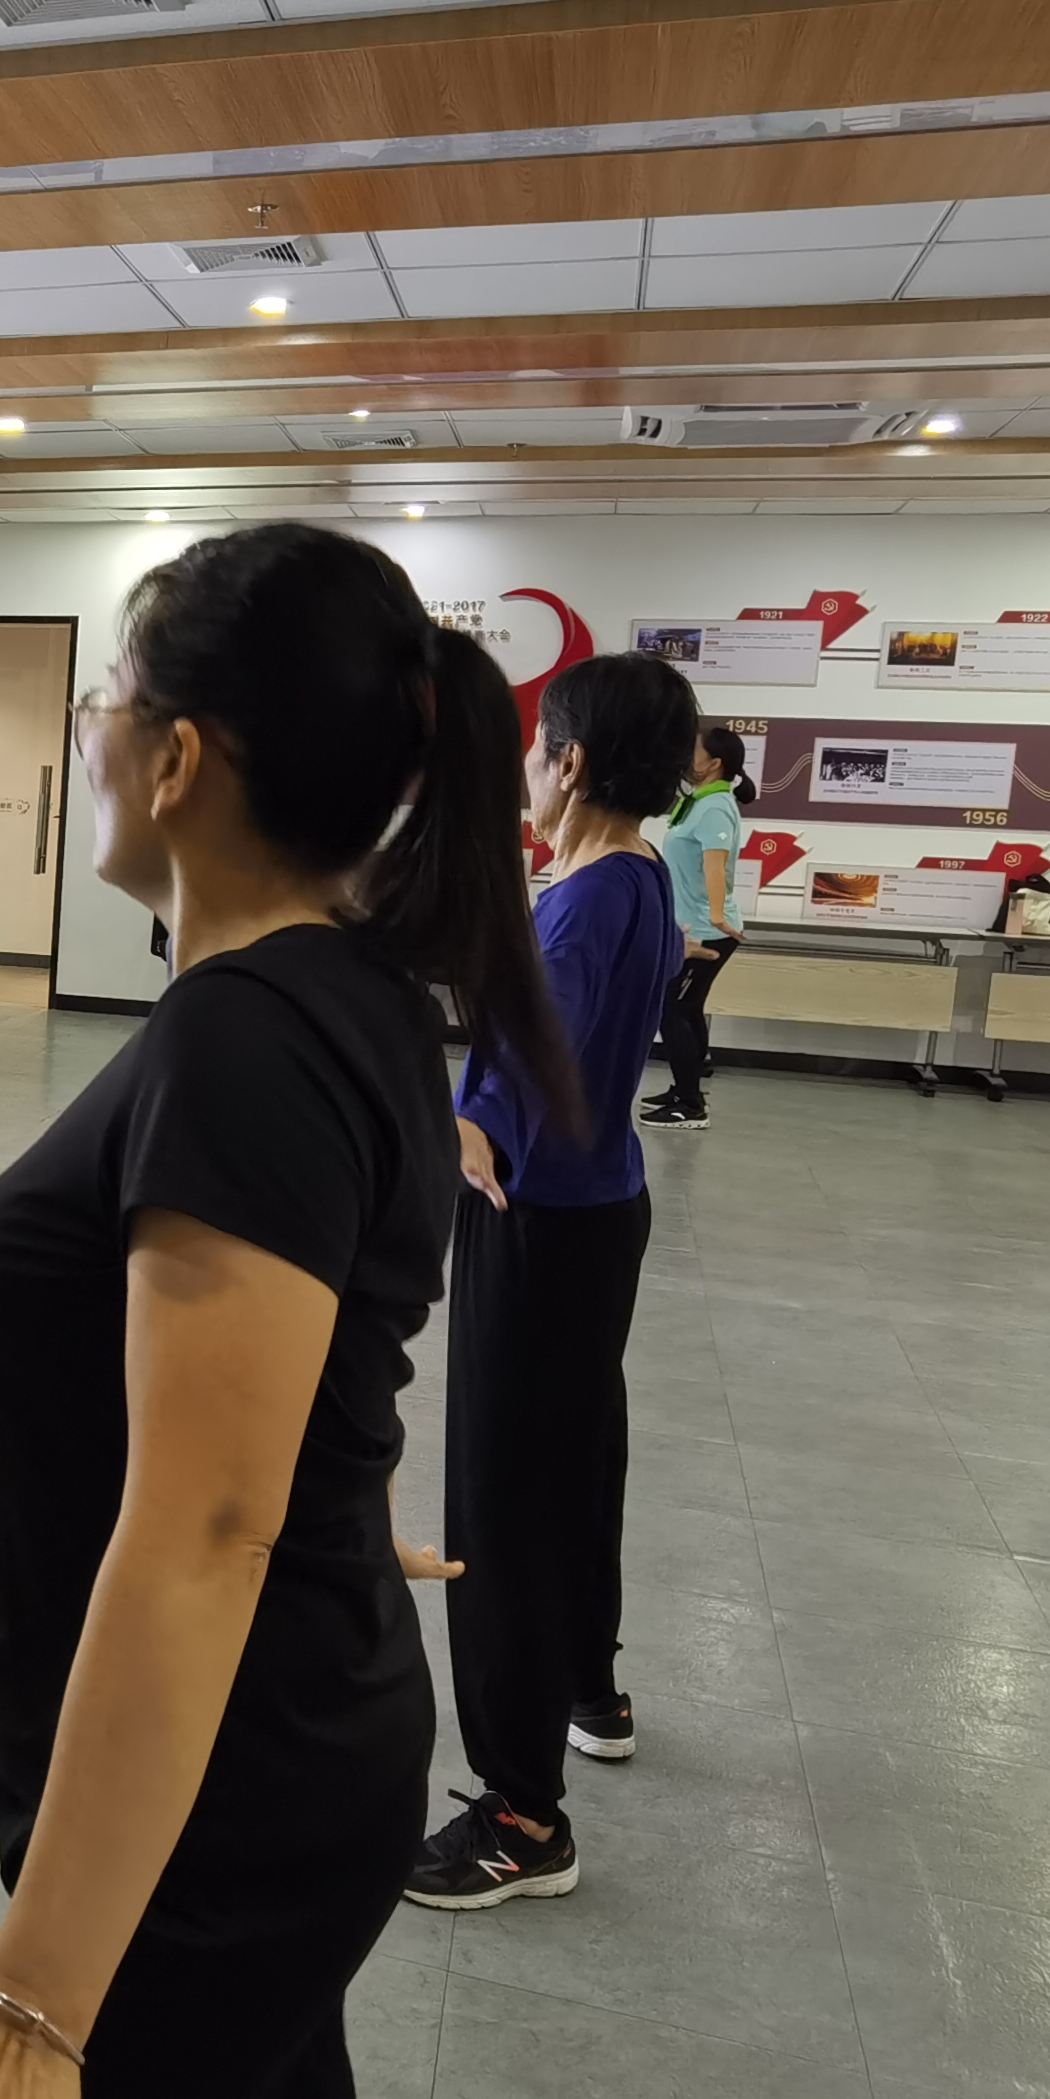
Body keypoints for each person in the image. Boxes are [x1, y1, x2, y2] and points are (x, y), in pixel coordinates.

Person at [0, 524, 567, 2099]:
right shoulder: (351, 994)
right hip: (298, 1738)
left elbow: (210, 1528)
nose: (91, 727)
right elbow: (321, 1351)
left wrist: (33, 2007)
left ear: (174, 760)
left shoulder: (249, 1039)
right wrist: (333, 1493)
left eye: (108, 695)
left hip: (227, 1787)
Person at [408, 652, 690, 1908]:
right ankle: (591, 1686)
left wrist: (459, 1119)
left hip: (536, 1217)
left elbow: (532, 1060)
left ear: (568, 761)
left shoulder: (580, 906)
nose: (526, 766)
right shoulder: (633, 873)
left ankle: (521, 1815)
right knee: (578, 1459)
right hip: (602, 1205)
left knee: (502, 1502)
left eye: (537, 747)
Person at [641, 723, 751, 1130]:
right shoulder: (700, 802)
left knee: (673, 1011)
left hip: (705, 931)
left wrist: (717, 915)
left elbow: (715, 865)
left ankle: (689, 1105)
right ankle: (685, 1090)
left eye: (694, 751)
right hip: (694, 926)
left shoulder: (715, 807)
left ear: (714, 763)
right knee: (686, 1009)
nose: (687, 757)